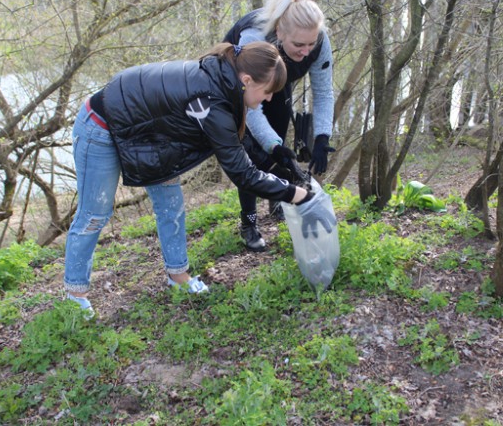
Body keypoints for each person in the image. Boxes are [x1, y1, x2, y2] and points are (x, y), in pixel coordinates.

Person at [63, 41, 334, 317]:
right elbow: (242, 173)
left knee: (171, 207)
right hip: (101, 124)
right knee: (94, 213)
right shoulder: (212, 100)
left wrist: (285, 168)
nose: (267, 100)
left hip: (151, 136)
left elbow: (242, 149)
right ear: (247, 79)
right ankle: (75, 296)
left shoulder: (225, 86)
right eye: (266, 92)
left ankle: (178, 277)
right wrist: (296, 195)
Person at [224, 0, 335, 252]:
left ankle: (277, 200)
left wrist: (322, 136)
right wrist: (272, 145)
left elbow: (323, 91)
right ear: (279, 33)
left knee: (279, 131)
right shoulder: (255, 38)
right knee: (250, 153)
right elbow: (251, 109)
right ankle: (249, 222)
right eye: (299, 44)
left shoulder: (318, 42)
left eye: (311, 43)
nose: (306, 51)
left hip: (276, 82)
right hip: (240, 87)